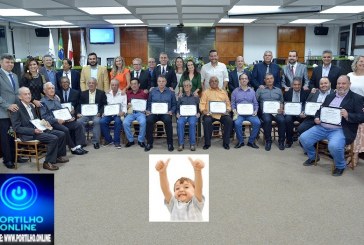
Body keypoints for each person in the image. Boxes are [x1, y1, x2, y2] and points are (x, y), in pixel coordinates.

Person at [300, 75, 364, 176]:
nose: (341, 86)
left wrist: (348, 115)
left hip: (340, 129)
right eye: (339, 83)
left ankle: (340, 166)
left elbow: (361, 117)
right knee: (303, 138)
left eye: (344, 83)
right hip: (322, 127)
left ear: (349, 84)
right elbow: (320, 110)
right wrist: (317, 117)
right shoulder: (330, 96)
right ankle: (313, 157)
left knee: (334, 146)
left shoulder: (357, 98)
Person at [11, 87, 68, 171]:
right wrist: (33, 130)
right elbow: (17, 128)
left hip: (38, 129)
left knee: (62, 134)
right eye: (25, 94)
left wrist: (44, 123)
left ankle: (57, 156)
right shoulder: (16, 109)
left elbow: (36, 120)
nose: (28, 96)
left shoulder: (31, 105)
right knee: (53, 138)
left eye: (29, 93)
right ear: (20, 97)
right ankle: (47, 163)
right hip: (29, 133)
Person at [40, 82, 87, 155]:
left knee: (78, 124)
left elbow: (61, 111)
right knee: (65, 129)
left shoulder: (56, 98)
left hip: (62, 121)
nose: (52, 90)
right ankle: (73, 148)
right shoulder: (43, 102)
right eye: (49, 88)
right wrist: (57, 120)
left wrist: (68, 117)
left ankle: (78, 146)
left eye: (53, 88)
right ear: (44, 91)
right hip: (52, 123)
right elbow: (44, 117)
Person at [155, 157, 205, 221]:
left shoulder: (196, 203)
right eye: (177, 188)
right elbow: (165, 189)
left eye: (186, 187)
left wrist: (197, 170)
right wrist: (162, 172)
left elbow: (199, 187)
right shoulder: (173, 204)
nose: (181, 190)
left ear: (194, 191)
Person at [145, 75, 176, 152]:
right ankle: (149, 143)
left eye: (163, 81)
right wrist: (148, 110)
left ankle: (170, 143)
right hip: (154, 113)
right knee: (149, 120)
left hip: (166, 113)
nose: (161, 83)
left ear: (166, 82)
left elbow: (174, 105)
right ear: (157, 82)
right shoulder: (152, 91)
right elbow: (149, 103)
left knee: (168, 121)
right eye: (159, 81)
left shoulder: (171, 92)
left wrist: (171, 111)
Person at [200, 76, 233, 150]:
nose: (214, 82)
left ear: (218, 83)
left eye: (215, 81)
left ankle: (226, 143)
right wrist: (204, 111)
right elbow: (202, 104)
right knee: (206, 121)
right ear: (209, 83)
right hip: (209, 114)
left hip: (222, 114)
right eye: (212, 81)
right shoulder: (205, 92)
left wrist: (227, 110)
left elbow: (228, 104)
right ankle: (207, 143)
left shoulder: (223, 92)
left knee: (229, 121)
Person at [256, 73, 285, 151]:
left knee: (282, 120)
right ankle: (268, 141)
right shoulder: (260, 89)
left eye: (271, 78)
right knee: (267, 120)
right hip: (265, 112)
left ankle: (281, 141)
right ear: (264, 80)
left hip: (277, 112)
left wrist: (281, 108)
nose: (269, 80)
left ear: (273, 79)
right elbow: (255, 101)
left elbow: (281, 101)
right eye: (267, 79)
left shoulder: (278, 90)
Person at [231, 73, 260, 149]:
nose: (244, 80)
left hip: (250, 114)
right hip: (239, 114)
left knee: (257, 122)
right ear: (239, 80)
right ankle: (240, 141)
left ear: (248, 80)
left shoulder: (252, 91)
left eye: (245, 78)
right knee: (237, 123)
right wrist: (234, 110)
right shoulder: (235, 91)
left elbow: (255, 103)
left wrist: (256, 110)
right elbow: (233, 103)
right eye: (242, 78)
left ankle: (251, 141)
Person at [0, 53, 19, 169]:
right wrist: (7, 106)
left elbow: (16, 93)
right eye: (7, 62)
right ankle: (7, 159)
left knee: (14, 135)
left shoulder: (15, 76)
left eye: (12, 62)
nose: (10, 64)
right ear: (1, 63)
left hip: (15, 111)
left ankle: (15, 156)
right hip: (3, 112)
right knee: (5, 138)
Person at [77, 78, 107, 149]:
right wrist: (78, 113)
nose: (91, 84)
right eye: (89, 83)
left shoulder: (101, 93)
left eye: (93, 83)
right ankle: (82, 142)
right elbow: (79, 104)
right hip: (85, 114)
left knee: (97, 121)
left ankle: (96, 142)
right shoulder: (83, 93)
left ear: (96, 84)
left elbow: (104, 104)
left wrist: (100, 112)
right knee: (79, 121)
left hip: (96, 114)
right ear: (87, 84)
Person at [100, 79, 127, 149]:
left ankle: (117, 142)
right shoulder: (107, 94)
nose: (114, 86)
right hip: (108, 114)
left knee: (118, 122)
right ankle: (109, 140)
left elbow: (124, 106)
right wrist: (103, 112)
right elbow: (104, 104)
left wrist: (123, 112)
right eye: (112, 85)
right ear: (110, 86)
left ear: (118, 86)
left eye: (116, 85)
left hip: (117, 114)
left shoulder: (122, 94)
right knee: (102, 121)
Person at [283, 77, 309, 148]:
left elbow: (307, 104)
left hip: (301, 114)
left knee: (306, 120)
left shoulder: (306, 92)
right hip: (290, 114)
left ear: (301, 85)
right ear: (292, 85)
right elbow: (284, 103)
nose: (297, 86)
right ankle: (289, 140)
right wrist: (284, 110)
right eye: (295, 84)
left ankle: (302, 141)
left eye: (298, 84)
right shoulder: (287, 92)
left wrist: (303, 111)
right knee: (287, 119)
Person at [348, 55, 364, 166]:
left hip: (362, 106)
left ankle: (355, 155)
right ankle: (348, 153)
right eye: (361, 61)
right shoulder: (349, 75)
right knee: (348, 127)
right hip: (349, 105)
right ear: (356, 62)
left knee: (359, 130)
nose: (363, 63)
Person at [123, 78, 149, 148]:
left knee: (143, 122)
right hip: (130, 112)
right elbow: (123, 103)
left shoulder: (144, 93)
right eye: (132, 84)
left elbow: (148, 102)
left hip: (141, 113)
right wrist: (127, 106)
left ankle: (141, 140)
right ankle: (131, 140)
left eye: (135, 84)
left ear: (139, 85)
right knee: (125, 123)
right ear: (130, 85)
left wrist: (146, 110)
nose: (133, 85)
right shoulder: (127, 93)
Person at [176, 80, 200, 151]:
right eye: (185, 86)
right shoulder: (180, 97)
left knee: (192, 123)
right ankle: (181, 144)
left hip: (192, 115)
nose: (186, 87)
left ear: (191, 86)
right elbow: (178, 108)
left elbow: (198, 107)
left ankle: (192, 144)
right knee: (180, 123)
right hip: (183, 115)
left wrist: (198, 113)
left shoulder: (195, 96)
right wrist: (177, 113)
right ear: (183, 87)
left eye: (188, 85)